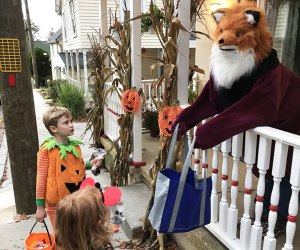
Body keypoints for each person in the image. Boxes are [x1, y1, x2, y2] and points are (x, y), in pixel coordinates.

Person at [35, 106, 102, 230]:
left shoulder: (75, 147)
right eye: (66, 122)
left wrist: (90, 164)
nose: (71, 125)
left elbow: (77, 167)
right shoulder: (47, 151)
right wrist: (40, 206)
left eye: (71, 121)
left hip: (78, 199)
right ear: (53, 128)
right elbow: (41, 178)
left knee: (78, 232)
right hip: (57, 204)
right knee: (62, 236)